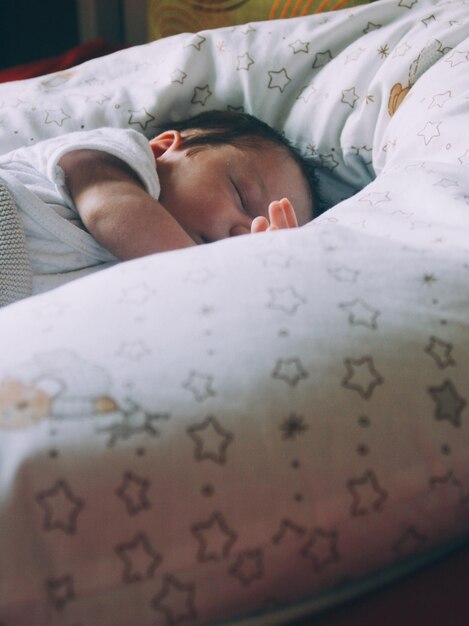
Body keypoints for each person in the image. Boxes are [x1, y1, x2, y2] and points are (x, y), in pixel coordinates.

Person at [0, 110, 316, 297]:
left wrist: (266, 270)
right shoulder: (118, 160)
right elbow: (107, 208)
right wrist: (226, 281)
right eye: (242, 195)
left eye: (257, 233)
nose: (242, 232)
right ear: (164, 149)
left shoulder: (149, 285)